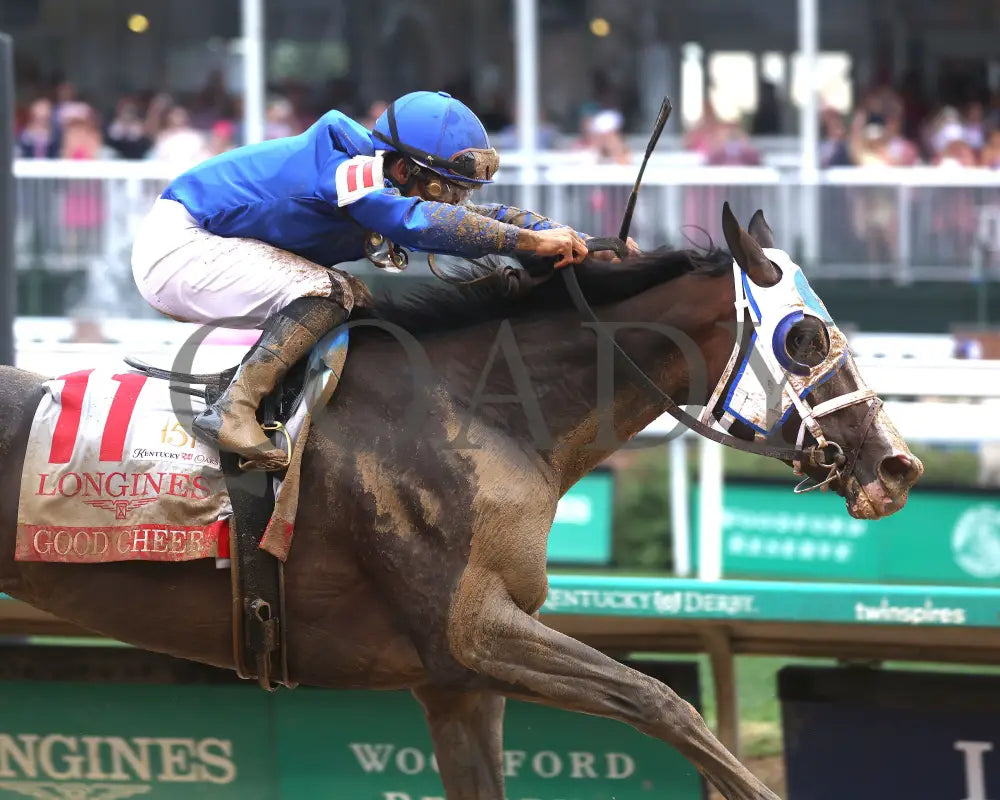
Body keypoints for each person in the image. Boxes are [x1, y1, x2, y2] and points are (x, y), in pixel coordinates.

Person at [132, 90, 624, 470]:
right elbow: (413, 221)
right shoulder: (348, 165)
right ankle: (233, 409)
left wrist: (579, 239)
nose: (454, 201)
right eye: (444, 187)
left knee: (355, 301)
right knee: (329, 292)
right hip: (179, 246)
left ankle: (284, 408)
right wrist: (527, 244)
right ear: (403, 167)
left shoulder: (386, 172)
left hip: (209, 245)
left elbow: (483, 215)